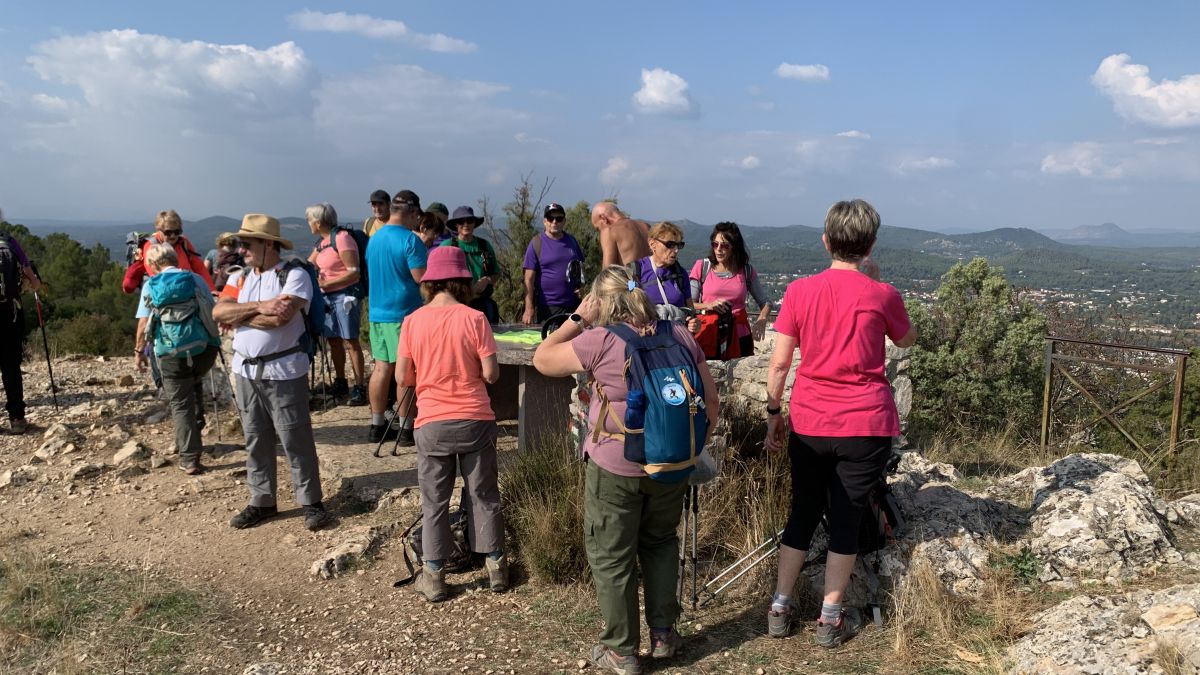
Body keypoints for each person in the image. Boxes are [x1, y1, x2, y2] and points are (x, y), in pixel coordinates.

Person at [532, 265, 719, 674]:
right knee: (661, 543)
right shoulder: (679, 335)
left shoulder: (599, 340)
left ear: (602, 302)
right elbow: (712, 403)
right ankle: (665, 634)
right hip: (671, 465)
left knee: (612, 555)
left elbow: (541, 358)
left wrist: (578, 319)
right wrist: (687, 448)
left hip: (615, 466)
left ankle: (621, 650)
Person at [763, 199, 916, 647]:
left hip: (810, 419)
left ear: (826, 240)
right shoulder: (882, 294)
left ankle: (779, 606)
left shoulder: (798, 292)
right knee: (846, 516)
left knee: (803, 511)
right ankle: (830, 619)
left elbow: (778, 364)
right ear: (870, 245)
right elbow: (906, 340)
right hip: (865, 424)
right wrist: (879, 285)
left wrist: (774, 414)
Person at [396, 246, 506, 602]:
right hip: (475, 418)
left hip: (432, 421)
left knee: (434, 501)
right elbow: (491, 374)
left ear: (430, 283)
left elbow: (403, 376)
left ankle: (434, 576)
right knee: (483, 495)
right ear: (463, 282)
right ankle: (496, 568)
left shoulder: (413, 321)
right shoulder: (475, 320)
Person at [213, 214, 334, 532]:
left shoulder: (294, 275)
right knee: (255, 437)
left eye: (248, 243)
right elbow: (218, 311)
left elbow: (280, 319)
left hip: (284, 369)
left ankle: (311, 502)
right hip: (246, 370)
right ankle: (262, 501)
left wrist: (240, 315)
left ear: (268, 244)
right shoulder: (240, 275)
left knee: (295, 437)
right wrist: (260, 306)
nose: (242, 250)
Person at [133, 244, 220, 474]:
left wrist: (139, 352)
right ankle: (197, 430)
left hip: (170, 353)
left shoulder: (150, 286)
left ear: (152, 265)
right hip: (202, 350)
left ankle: (190, 458)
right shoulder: (195, 280)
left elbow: (143, 324)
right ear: (175, 258)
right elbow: (211, 309)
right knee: (194, 383)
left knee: (181, 404)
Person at [366, 190, 427, 444]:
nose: (418, 222)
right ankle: (406, 429)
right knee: (405, 372)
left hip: (377, 313)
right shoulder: (411, 241)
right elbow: (422, 280)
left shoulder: (375, 239)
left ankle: (376, 425)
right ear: (411, 212)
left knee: (381, 368)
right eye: (417, 216)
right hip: (404, 316)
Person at [306, 202, 367, 406]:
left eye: (309, 220)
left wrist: (325, 283)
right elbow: (309, 263)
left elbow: (354, 272)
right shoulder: (322, 243)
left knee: (350, 341)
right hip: (328, 298)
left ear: (317, 221)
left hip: (345, 297)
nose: (308, 223)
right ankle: (341, 381)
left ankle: (359, 386)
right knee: (333, 341)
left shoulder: (341, 238)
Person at [689, 221, 772, 357]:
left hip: (740, 334)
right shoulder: (702, 267)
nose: (719, 249)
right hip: (709, 332)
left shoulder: (746, 271)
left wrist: (762, 319)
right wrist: (709, 305)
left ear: (734, 247)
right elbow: (689, 304)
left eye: (725, 246)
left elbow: (766, 302)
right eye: (715, 244)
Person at [0, 210, 44, 435]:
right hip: (9, 313)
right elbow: (32, 280)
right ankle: (17, 419)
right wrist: (33, 283)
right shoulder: (9, 241)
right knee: (11, 368)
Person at [123, 210, 215, 294]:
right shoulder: (151, 246)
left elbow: (199, 267)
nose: (173, 236)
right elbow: (156, 275)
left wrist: (211, 290)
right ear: (159, 231)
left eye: (177, 231)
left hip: (186, 292)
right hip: (160, 294)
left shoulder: (184, 242)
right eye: (168, 232)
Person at [522, 203, 585, 324]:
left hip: (574, 306)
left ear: (564, 221)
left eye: (559, 218)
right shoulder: (536, 243)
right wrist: (529, 308)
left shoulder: (572, 241)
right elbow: (528, 279)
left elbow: (580, 267)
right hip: (549, 307)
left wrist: (581, 287)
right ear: (545, 221)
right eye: (551, 219)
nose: (554, 222)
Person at [442, 206, 500, 324]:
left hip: (481, 304)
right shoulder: (446, 247)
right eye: (461, 221)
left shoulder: (485, 246)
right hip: (455, 304)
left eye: (469, 221)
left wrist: (487, 280)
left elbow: (496, 273)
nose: (466, 224)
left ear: (474, 223)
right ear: (456, 225)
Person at [629, 221, 694, 321]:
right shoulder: (635, 270)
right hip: (646, 333)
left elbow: (690, 311)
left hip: (675, 334)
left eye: (679, 245)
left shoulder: (681, 274)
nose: (676, 250)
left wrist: (693, 324)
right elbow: (628, 303)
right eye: (670, 244)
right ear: (652, 244)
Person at [591, 201, 650, 267]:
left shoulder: (609, 231)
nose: (599, 232)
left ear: (603, 218)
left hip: (629, 277)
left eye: (598, 228)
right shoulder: (645, 227)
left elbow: (608, 271)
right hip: (652, 277)